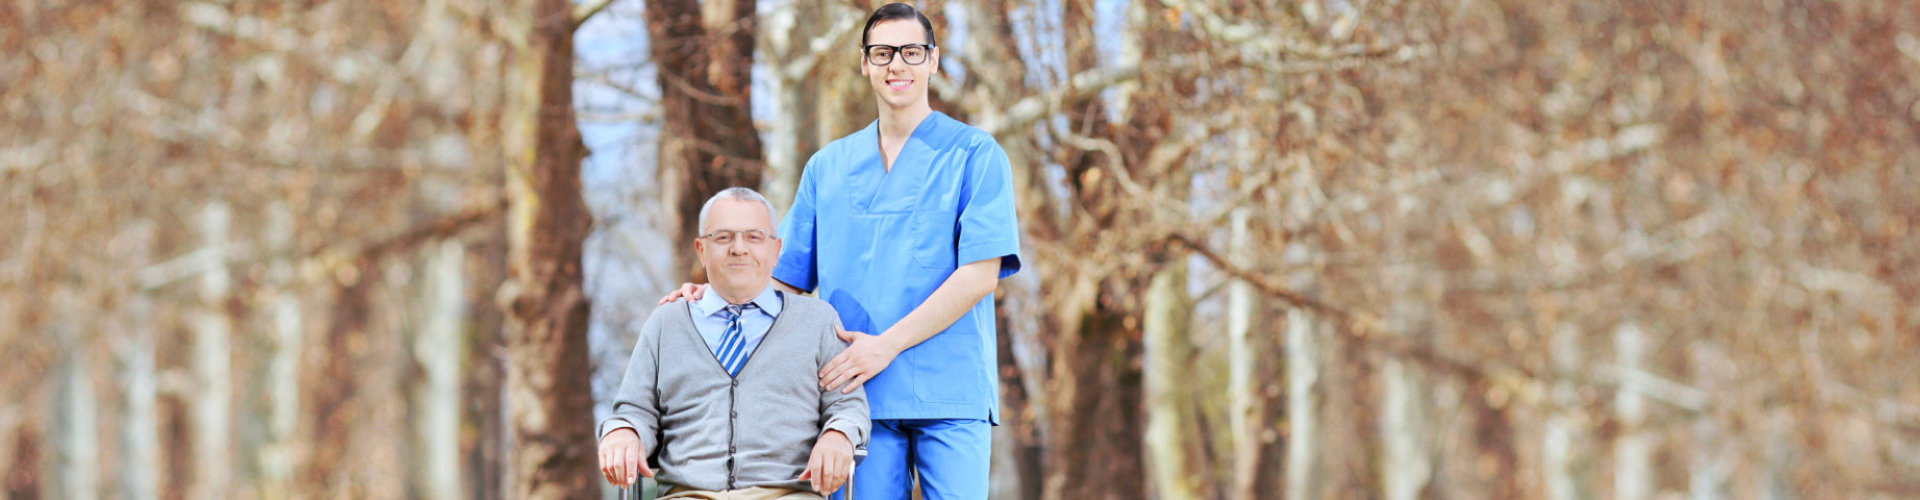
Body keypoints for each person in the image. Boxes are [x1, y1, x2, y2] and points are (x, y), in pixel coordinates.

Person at [661, 4, 1022, 498]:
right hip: (853, 397)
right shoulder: (827, 168)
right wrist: (713, 299)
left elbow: (980, 275)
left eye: (911, 52)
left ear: (933, 62)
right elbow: (783, 279)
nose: (897, 65)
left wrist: (886, 345)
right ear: (864, 63)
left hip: (948, 393)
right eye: (883, 53)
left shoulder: (976, 155)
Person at [602, 187, 870, 499]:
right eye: (723, 237)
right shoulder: (666, 324)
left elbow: (847, 405)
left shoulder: (818, 321)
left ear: (776, 250)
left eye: (755, 237)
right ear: (701, 250)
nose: (739, 248)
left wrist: (839, 434)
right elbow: (635, 409)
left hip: (786, 493)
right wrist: (623, 431)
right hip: (688, 494)